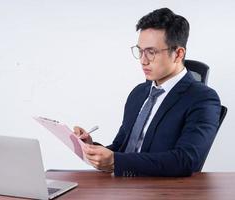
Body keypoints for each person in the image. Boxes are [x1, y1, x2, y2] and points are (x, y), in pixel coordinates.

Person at [73, 8, 221, 177]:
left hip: (159, 190)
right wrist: (92, 148)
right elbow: (122, 147)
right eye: (140, 51)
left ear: (178, 54)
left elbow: (186, 160)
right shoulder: (139, 93)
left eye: (151, 52)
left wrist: (116, 161)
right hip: (120, 185)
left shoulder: (203, 99)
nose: (143, 60)